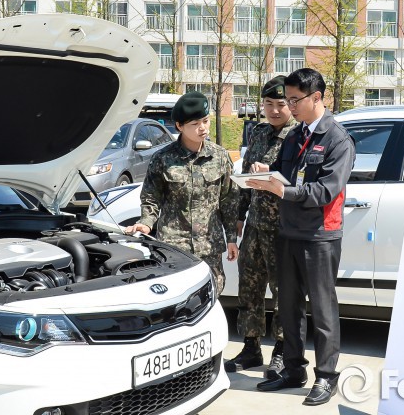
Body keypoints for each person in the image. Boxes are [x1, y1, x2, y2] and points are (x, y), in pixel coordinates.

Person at [248, 68, 355, 406]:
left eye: (295, 100)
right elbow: (287, 174)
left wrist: (283, 190)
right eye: (288, 100)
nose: (290, 107)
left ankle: (327, 375)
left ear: (317, 97)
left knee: (323, 310)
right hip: (288, 231)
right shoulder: (296, 136)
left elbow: (325, 190)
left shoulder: (337, 139)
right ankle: (294, 369)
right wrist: (267, 174)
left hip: (320, 235)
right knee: (289, 307)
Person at [126, 91, 239, 296]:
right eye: (195, 124)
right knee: (175, 297)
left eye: (205, 121)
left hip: (209, 246)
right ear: (179, 126)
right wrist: (146, 222)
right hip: (174, 246)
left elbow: (229, 200)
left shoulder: (220, 157)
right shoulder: (163, 158)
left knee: (212, 293)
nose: (202, 128)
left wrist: (231, 238)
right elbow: (151, 197)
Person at [224, 76, 297, 378]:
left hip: (284, 227)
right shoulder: (258, 133)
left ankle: (282, 350)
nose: (275, 111)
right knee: (249, 287)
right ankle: (251, 346)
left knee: (283, 292)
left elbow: (300, 179)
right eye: (269, 104)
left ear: (291, 104)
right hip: (255, 225)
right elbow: (244, 178)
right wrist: (239, 216)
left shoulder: (298, 136)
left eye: (281, 104)